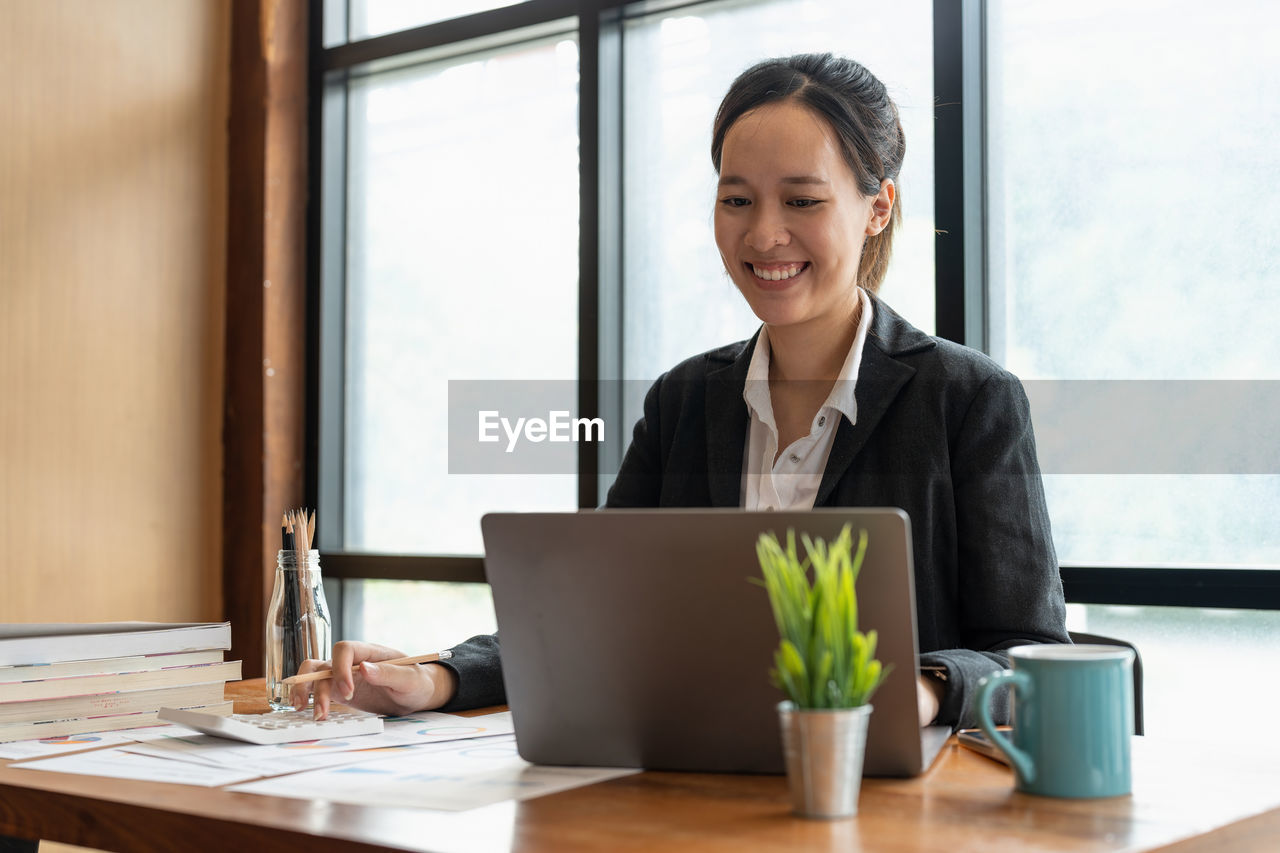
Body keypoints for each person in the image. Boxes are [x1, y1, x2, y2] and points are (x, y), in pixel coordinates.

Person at [293, 53, 1069, 730]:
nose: (764, 234)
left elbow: (1030, 655)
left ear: (877, 209)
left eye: (802, 200)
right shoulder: (684, 401)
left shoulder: (968, 398)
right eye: (737, 200)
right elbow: (597, 614)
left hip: (887, 803)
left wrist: (921, 692)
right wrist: (435, 677)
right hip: (692, 784)